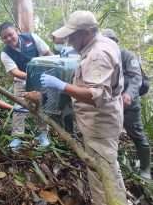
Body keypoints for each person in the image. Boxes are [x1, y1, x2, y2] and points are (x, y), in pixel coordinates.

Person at [41, 11, 128, 204]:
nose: (70, 41)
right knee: (110, 169)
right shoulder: (102, 43)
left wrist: (61, 85)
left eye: (73, 36)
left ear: (87, 32)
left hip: (100, 124)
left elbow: (93, 95)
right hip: (100, 122)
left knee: (100, 174)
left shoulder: (98, 54)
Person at [102, 28, 151, 179]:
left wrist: (129, 94)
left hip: (128, 102)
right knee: (107, 134)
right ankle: (112, 164)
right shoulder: (102, 56)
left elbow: (136, 78)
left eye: (111, 41)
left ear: (116, 42)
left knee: (136, 133)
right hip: (109, 102)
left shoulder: (127, 56)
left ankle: (145, 169)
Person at [0, 22, 52, 149]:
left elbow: (47, 53)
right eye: (4, 37)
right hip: (21, 81)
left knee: (40, 104)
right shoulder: (5, 53)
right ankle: (17, 136)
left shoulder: (31, 38)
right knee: (19, 107)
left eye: (10, 34)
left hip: (41, 78)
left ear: (16, 31)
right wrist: (31, 77)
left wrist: (52, 69)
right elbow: (14, 71)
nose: (9, 39)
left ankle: (43, 134)